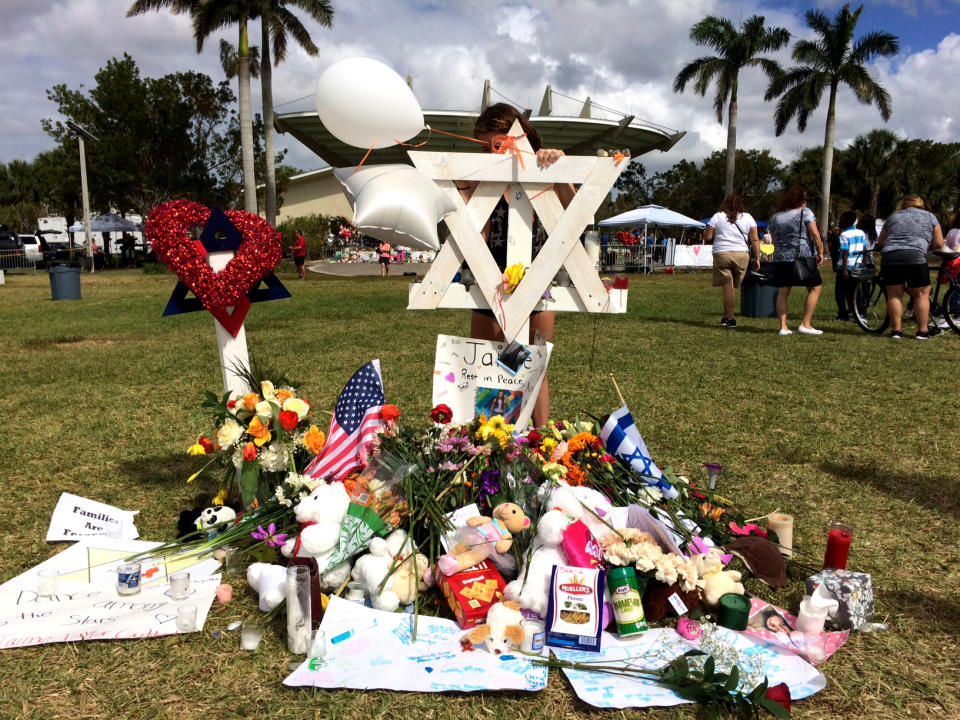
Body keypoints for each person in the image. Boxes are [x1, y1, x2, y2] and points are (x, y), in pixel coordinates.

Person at [456, 103, 573, 427]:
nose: (488, 154)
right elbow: (474, 238)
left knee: (534, 366)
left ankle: (540, 440)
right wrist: (465, 190)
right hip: (490, 284)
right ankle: (491, 443)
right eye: (482, 147)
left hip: (538, 285)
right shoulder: (480, 183)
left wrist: (559, 166)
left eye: (493, 145)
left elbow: (574, 211)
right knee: (491, 365)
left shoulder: (542, 172)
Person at [875, 194, 943, 340]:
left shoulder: (893, 217)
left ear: (903, 204)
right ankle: (922, 331)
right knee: (921, 294)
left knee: (894, 295)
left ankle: (896, 330)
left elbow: (880, 242)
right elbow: (938, 245)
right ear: (921, 204)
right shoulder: (930, 217)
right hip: (915, 255)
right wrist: (925, 245)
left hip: (890, 256)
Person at [768, 186, 825, 335]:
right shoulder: (805, 212)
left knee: (783, 292)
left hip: (780, 257)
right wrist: (820, 251)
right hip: (802, 255)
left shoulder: (776, 217)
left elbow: (773, 239)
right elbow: (814, 233)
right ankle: (805, 323)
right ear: (802, 201)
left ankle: (783, 327)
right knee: (815, 288)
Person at [703, 192, 761, 329]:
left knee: (727, 287)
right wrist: (757, 258)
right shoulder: (748, 217)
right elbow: (755, 238)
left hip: (722, 253)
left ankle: (731, 318)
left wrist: (705, 234)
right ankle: (726, 315)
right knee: (732, 287)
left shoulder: (718, 216)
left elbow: (708, 236)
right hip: (742, 255)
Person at [833, 211, 867, 321]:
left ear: (847, 221)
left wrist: (844, 270)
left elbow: (845, 252)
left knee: (839, 293)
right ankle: (862, 314)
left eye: (841, 219)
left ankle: (843, 315)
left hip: (846, 267)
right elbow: (864, 249)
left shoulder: (844, 234)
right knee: (856, 291)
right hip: (857, 266)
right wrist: (863, 264)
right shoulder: (861, 233)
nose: (839, 222)